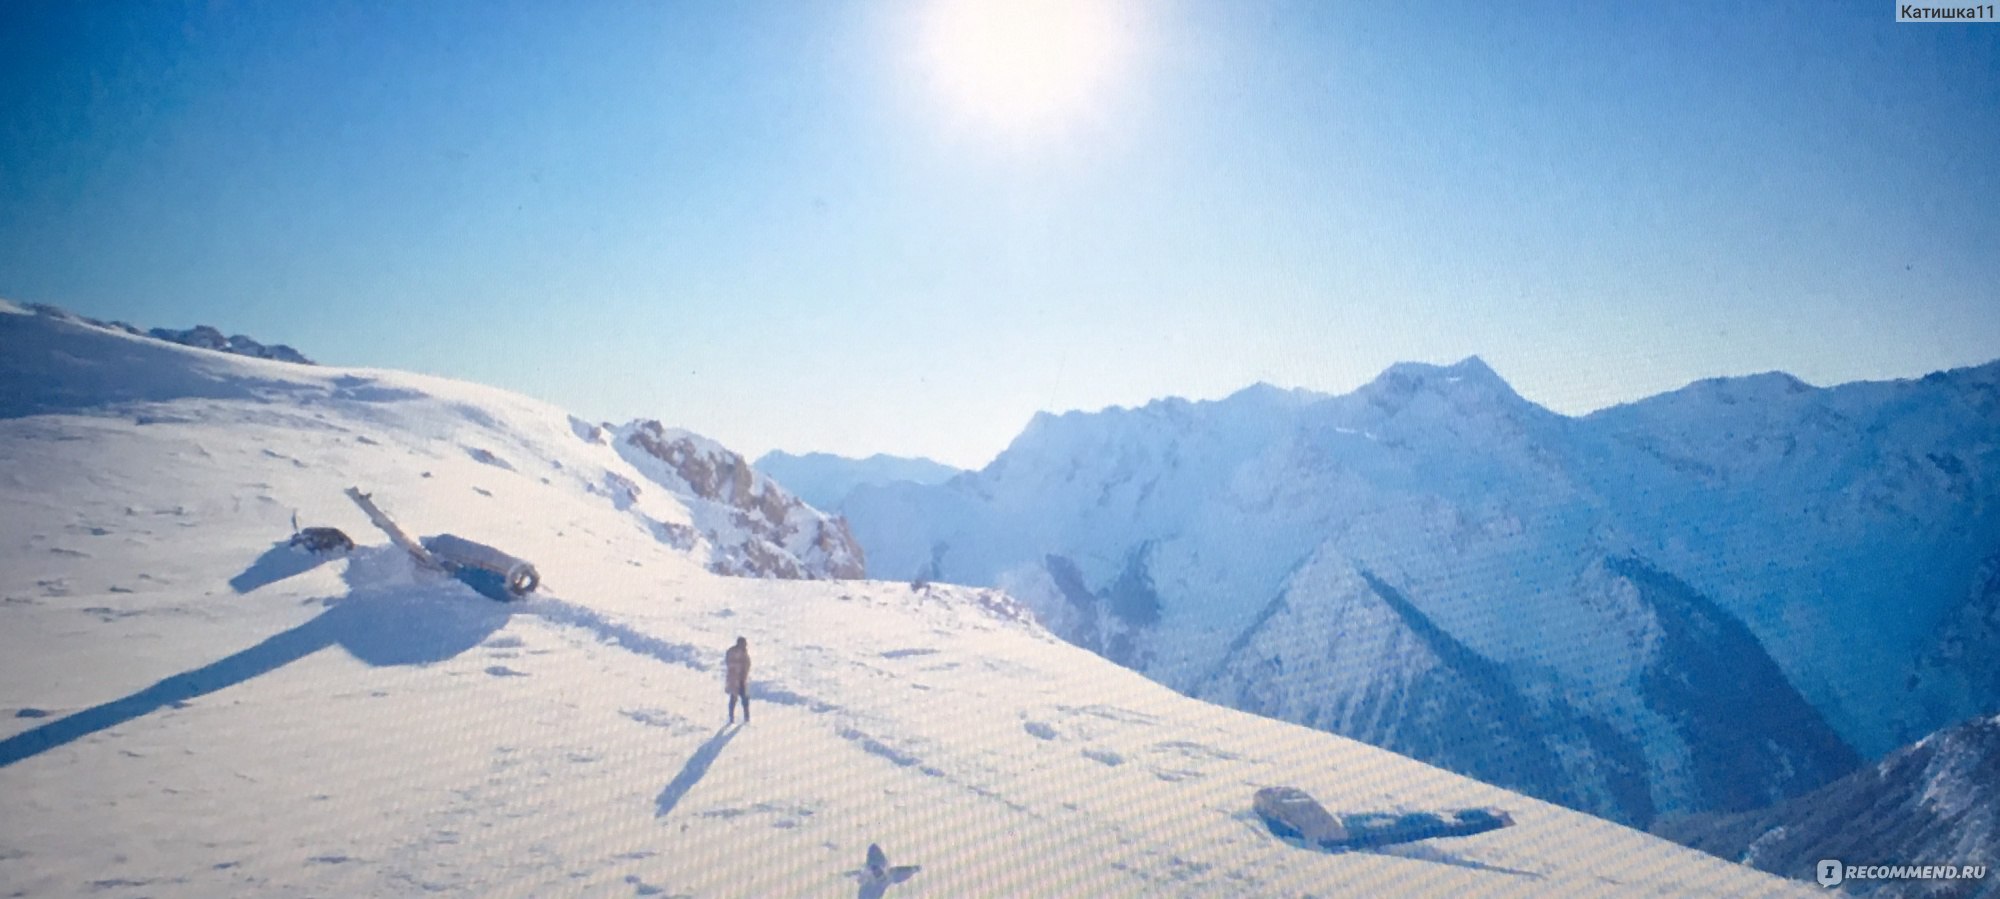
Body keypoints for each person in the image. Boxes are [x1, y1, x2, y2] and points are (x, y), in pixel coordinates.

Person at [725, 636, 751, 724]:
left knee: (745, 698)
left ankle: (747, 718)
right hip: (734, 679)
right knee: (734, 698)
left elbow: (747, 663)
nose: (745, 646)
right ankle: (731, 717)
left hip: (742, 679)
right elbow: (730, 664)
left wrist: (744, 673)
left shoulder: (744, 652)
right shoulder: (732, 652)